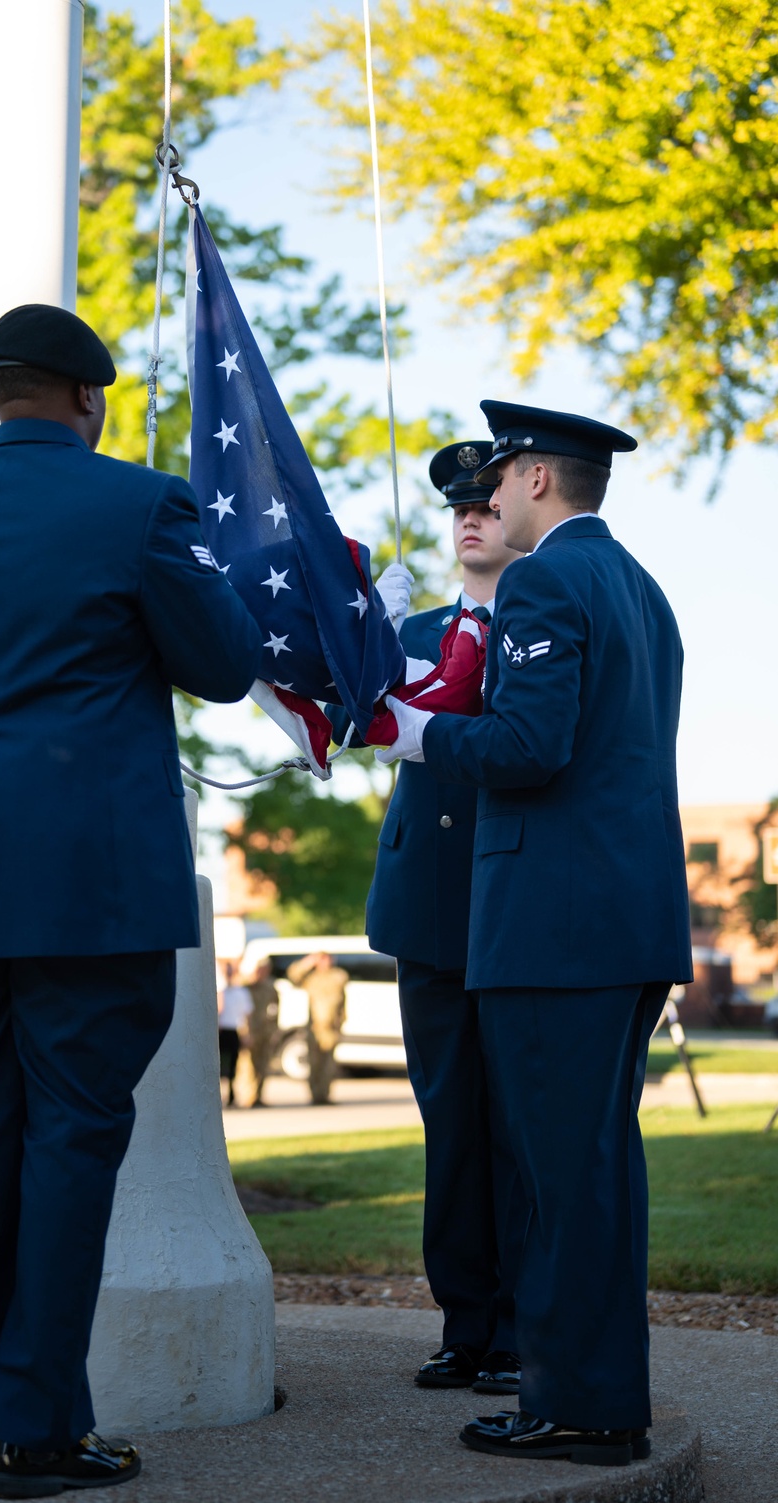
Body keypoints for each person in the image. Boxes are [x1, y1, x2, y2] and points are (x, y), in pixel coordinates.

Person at [0, 303, 262, 1497]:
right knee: (72, 1141)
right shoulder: (142, 506)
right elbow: (223, 665)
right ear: (87, 399)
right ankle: (35, 1433)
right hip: (90, 881)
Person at [378, 401, 692, 1467]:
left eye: (500, 480)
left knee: (559, 1186)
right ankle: (594, 1395)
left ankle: (581, 1410)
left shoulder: (547, 581)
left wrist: (414, 730)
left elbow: (529, 744)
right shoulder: (640, 590)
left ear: (537, 484)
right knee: (591, 1176)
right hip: (620, 921)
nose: (490, 499)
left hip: (556, 931)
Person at [333, 442, 529, 1397]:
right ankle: (465, 1324)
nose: (470, 519)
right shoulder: (408, 625)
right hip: (427, 905)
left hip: (512, 900)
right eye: (459, 507)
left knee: (515, 1126)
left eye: (487, 504)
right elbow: (351, 710)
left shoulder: (541, 618)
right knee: (450, 1126)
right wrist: (367, 627)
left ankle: (522, 1327)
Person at [285, 951, 348, 1105]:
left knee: (328, 1065)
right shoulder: (311, 978)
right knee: (314, 1063)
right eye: (321, 960)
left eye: (326, 959)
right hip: (315, 1027)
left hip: (330, 1028)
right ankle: (314, 1095)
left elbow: (342, 1002)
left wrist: (341, 1023)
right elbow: (293, 976)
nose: (324, 962)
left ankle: (324, 1095)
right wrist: (308, 962)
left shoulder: (338, 976)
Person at [235, 957, 281, 1107]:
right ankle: (248, 1096)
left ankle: (258, 1096)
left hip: (265, 1031)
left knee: (263, 1064)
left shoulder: (270, 987)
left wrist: (274, 1028)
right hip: (249, 1031)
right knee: (248, 1065)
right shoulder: (247, 986)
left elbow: (275, 1008)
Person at [217, 960, 252, 1107]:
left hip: (233, 1030)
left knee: (233, 1063)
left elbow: (246, 1014)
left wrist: (246, 1033)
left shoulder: (240, 992)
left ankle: (231, 1094)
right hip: (220, 1031)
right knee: (219, 1064)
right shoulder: (219, 991)